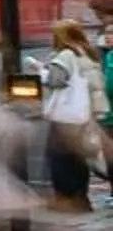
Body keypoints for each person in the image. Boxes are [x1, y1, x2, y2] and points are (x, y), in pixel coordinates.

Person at [40, 19, 106, 211]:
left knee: (60, 157)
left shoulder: (65, 55)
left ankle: (66, 199)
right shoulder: (88, 53)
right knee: (79, 157)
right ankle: (80, 197)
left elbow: (57, 81)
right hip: (83, 113)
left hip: (65, 116)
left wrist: (42, 72)